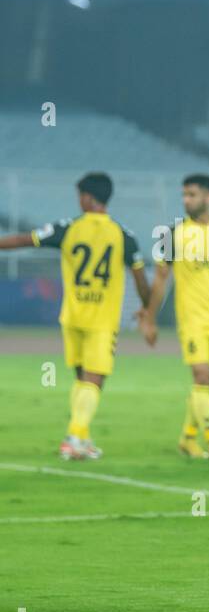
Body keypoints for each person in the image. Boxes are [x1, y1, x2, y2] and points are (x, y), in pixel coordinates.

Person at [0, 172, 149, 459]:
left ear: (87, 198)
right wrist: (146, 309)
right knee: (94, 380)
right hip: (102, 320)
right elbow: (140, 277)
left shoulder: (68, 228)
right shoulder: (124, 235)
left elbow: (23, 239)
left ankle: (82, 438)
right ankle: (73, 437)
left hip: (72, 316)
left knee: (82, 378)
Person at [139, 174, 209, 460]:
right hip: (192, 319)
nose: (186, 200)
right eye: (184, 195)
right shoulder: (171, 233)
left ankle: (187, 438)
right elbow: (160, 279)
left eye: (192, 195)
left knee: (205, 385)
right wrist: (150, 318)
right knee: (202, 376)